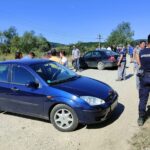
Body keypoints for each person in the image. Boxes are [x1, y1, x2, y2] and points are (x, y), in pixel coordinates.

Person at [137, 34, 150, 126]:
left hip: (144, 77)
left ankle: (141, 117)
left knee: (143, 98)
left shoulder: (141, 52)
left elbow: (140, 64)